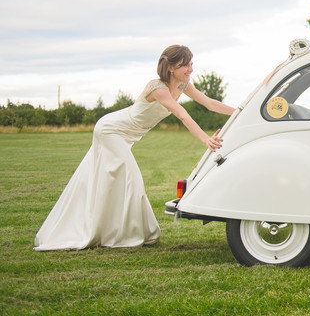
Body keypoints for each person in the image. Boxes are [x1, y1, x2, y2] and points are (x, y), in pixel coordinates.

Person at [34, 45, 235, 252]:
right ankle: (127, 233)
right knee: (132, 178)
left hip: (127, 136)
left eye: (191, 64)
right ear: (172, 67)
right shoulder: (157, 88)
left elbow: (210, 103)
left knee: (114, 181)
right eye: (186, 65)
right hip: (111, 130)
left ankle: (113, 230)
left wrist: (240, 112)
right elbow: (182, 115)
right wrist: (206, 140)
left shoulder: (184, 85)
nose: (191, 69)